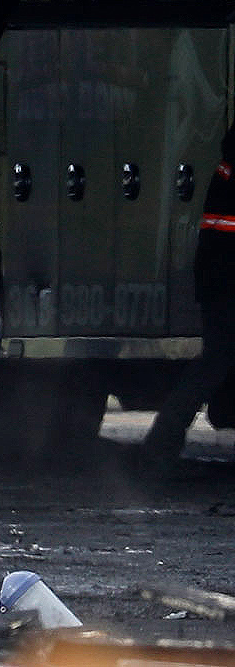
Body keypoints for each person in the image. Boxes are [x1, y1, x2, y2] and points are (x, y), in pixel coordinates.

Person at [141, 125, 235, 466]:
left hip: (219, 276)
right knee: (216, 360)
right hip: (226, 278)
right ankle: (159, 447)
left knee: (215, 361)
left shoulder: (229, 162)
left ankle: (160, 444)